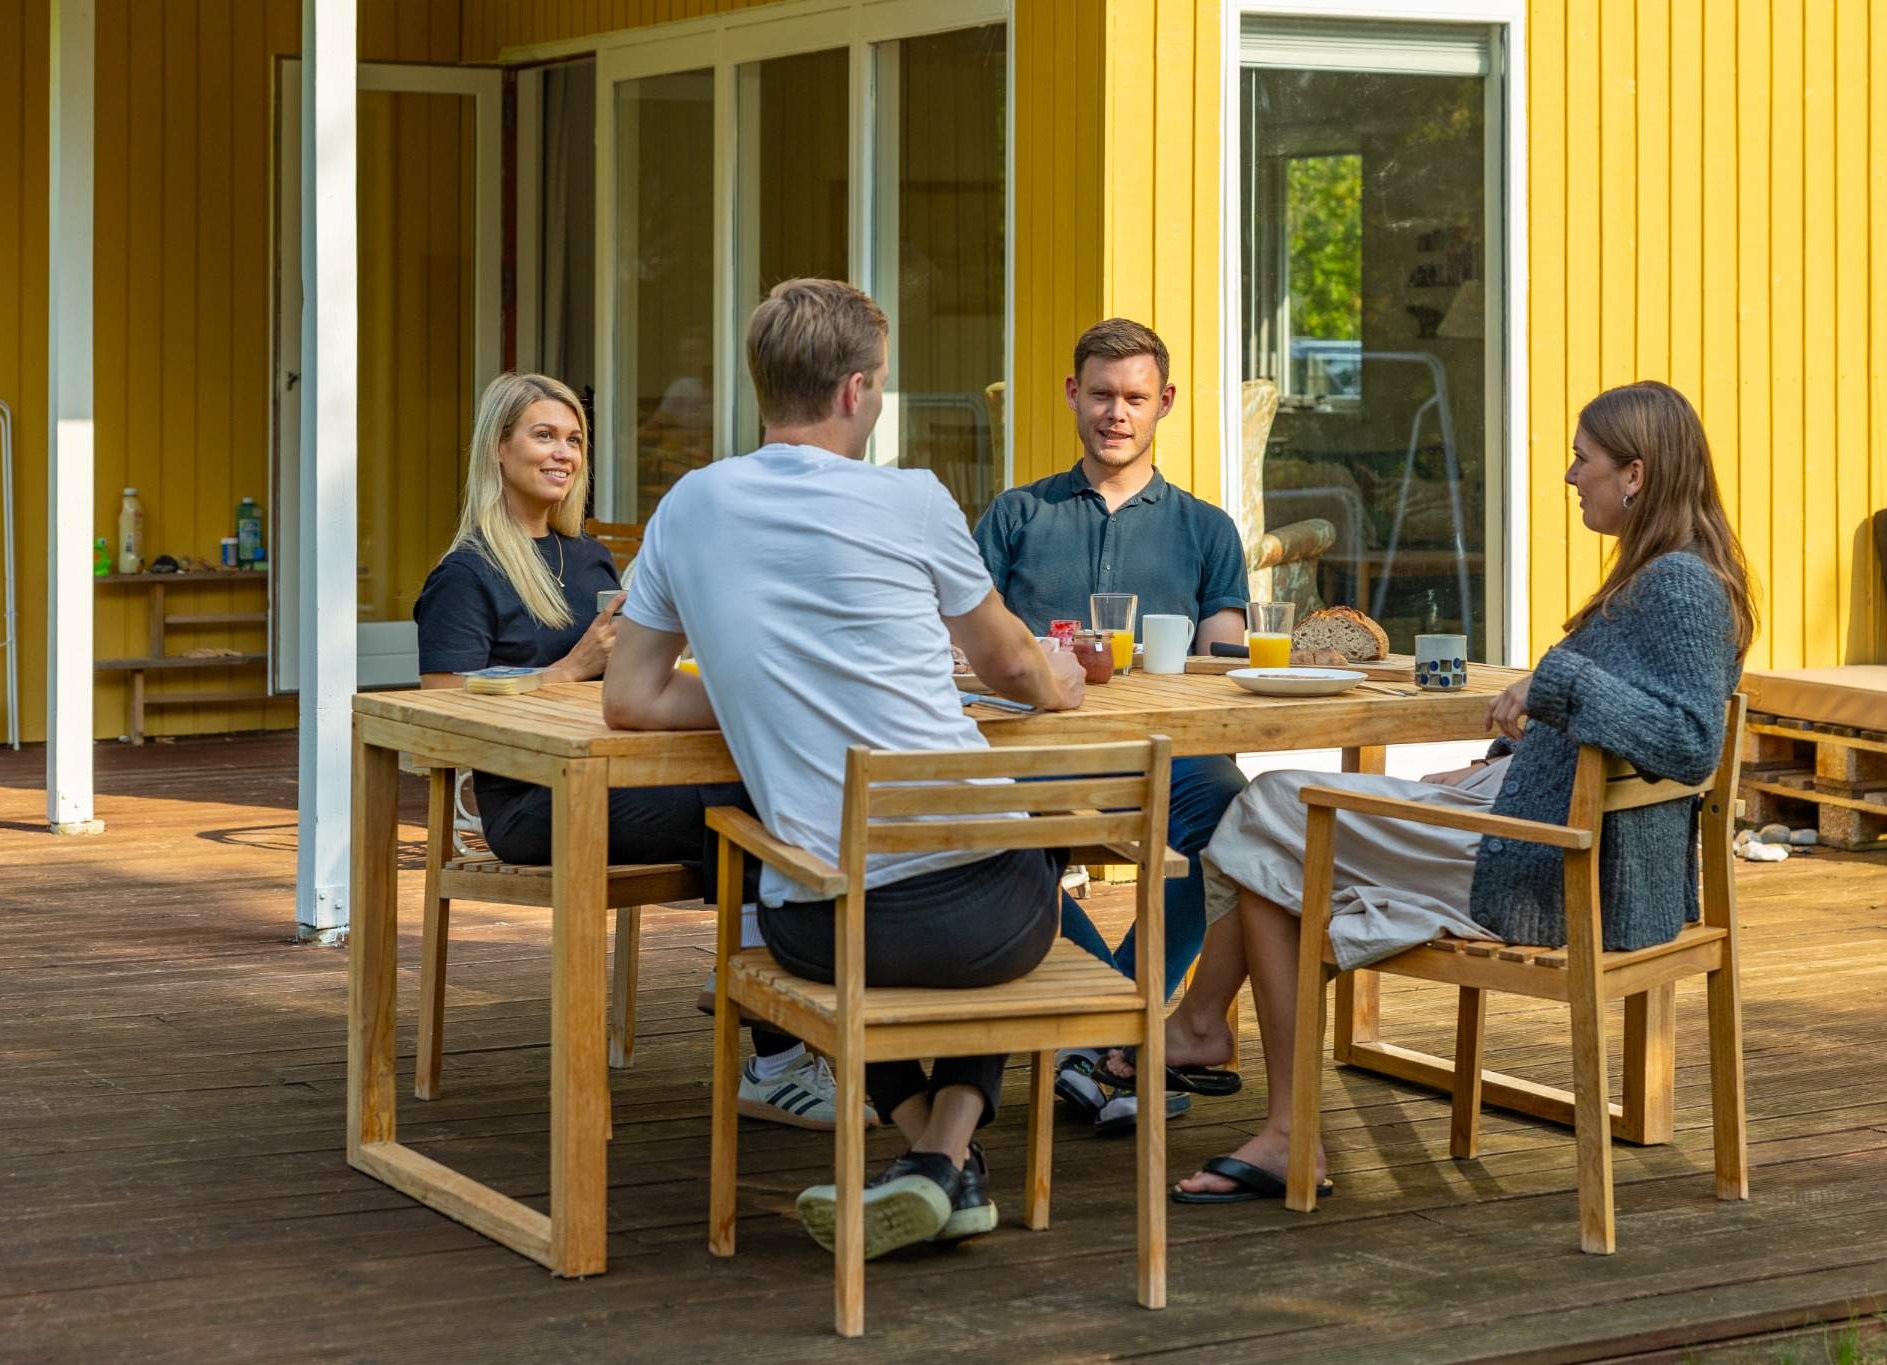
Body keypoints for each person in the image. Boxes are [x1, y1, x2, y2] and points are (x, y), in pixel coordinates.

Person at [1115, 380, 1757, 1203]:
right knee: (1277, 848)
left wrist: (1551, 680)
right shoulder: (1673, 574)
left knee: (1268, 808)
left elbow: (1687, 736)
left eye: (1581, 459)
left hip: (1543, 863)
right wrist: (1503, 751)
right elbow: (1610, 717)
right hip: (1528, 816)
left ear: (1634, 475)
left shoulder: (1678, 584)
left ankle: (1218, 1046)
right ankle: (1258, 1098)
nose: (1570, 476)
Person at [603, 279, 1087, 1258]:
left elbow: (631, 698)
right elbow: (1008, 667)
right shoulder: (910, 497)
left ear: (763, 386)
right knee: (1029, 860)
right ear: (855, 391)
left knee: (872, 961)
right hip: (983, 915)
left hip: (817, 925)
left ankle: (934, 1164)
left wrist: (760, 692)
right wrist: (1066, 680)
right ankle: (944, 1158)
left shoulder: (689, 504)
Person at [412, 371, 859, 1134]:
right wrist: (568, 668)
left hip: (613, 777)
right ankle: (779, 1053)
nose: (564, 453)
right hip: (530, 802)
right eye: (544, 435)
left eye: (575, 438)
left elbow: (634, 676)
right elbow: (439, 718)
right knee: (753, 812)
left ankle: (770, 1007)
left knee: (774, 801)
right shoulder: (466, 573)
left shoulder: (584, 558)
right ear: (498, 447)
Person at [972, 317, 1250, 1134]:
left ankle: (1097, 1034)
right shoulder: (1017, 514)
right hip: (1031, 754)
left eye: (1134, 397)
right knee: (983, 821)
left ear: (1163, 403)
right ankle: (1118, 1036)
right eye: (1100, 394)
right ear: (1072, 395)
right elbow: (964, 641)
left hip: (1165, 758)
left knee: (1236, 811)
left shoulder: (1207, 529)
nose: (1116, 412)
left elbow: (1222, 665)